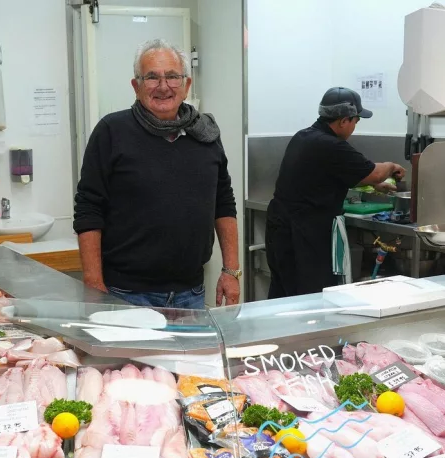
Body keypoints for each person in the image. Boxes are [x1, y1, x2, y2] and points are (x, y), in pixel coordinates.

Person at [73, 39, 240, 310]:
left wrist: (231, 271)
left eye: (173, 76)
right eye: (152, 77)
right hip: (125, 294)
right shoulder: (112, 131)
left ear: (186, 85)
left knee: (189, 355)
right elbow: (89, 208)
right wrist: (93, 282)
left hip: (191, 294)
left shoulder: (206, 134)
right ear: (136, 86)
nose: (163, 86)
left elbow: (224, 203)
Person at [265, 87, 406, 298]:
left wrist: (374, 186)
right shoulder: (331, 145)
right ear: (343, 121)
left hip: (280, 230)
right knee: (309, 298)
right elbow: (376, 173)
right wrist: (391, 165)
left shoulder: (303, 137)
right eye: (355, 122)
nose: (354, 128)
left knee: (284, 295)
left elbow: (323, 176)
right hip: (304, 236)